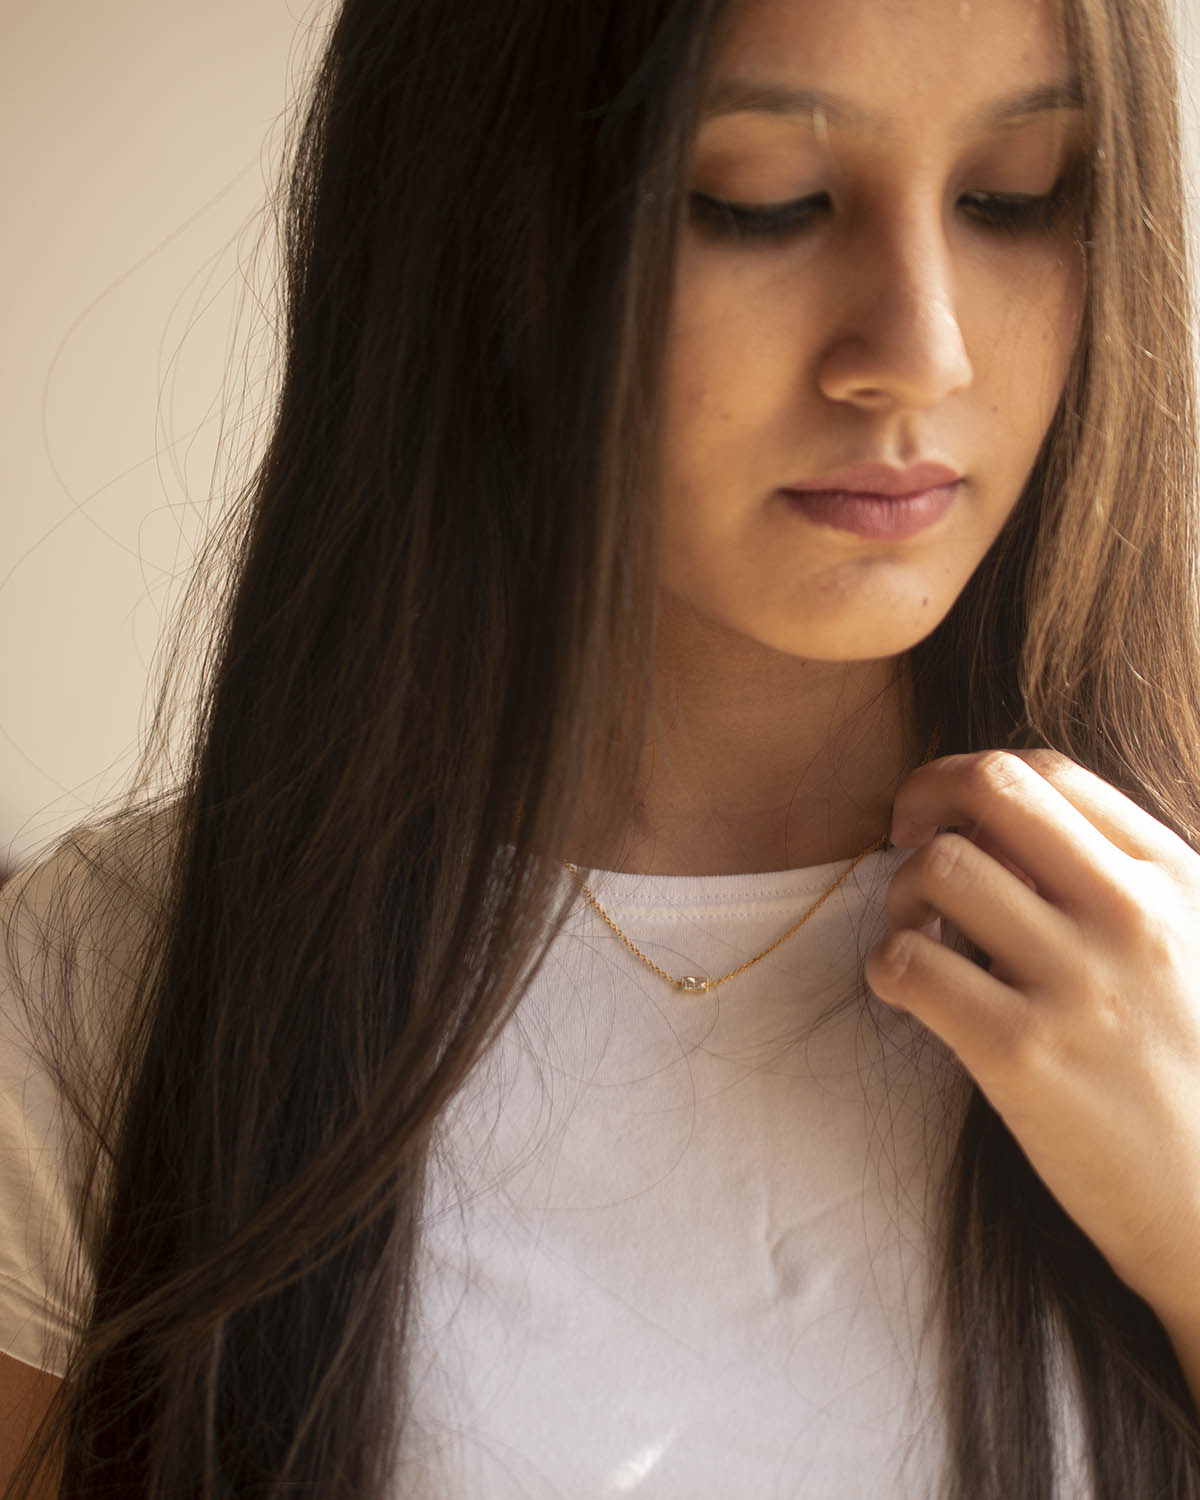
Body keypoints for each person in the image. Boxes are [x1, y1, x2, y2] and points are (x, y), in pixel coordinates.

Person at [3, 0, 1200, 1493]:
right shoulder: (107, 988)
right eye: (763, 201)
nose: (920, 353)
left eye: (1014, 195)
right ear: (481, 219)